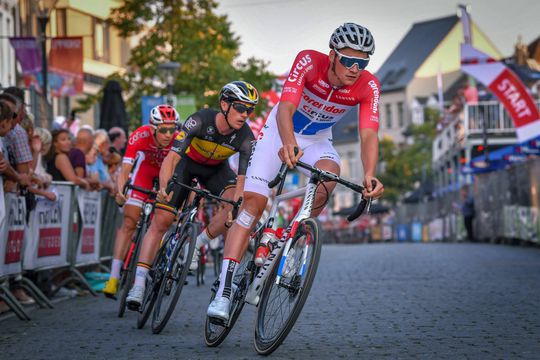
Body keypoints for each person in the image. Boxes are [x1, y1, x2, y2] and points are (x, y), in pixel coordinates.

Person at [207, 23, 385, 321]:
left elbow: (368, 134)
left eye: (363, 62)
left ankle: (292, 240)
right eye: (349, 60)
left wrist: (370, 173)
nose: (355, 68)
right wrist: (288, 143)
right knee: (253, 205)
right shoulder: (308, 61)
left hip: (317, 139)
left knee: (329, 177)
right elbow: (285, 108)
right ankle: (224, 292)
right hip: (280, 131)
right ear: (332, 55)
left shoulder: (369, 86)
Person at [125, 81, 258, 309]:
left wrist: (235, 208)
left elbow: (241, 183)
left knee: (232, 210)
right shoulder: (200, 119)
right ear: (224, 104)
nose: (245, 114)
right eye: (240, 107)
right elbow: (172, 158)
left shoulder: (246, 136)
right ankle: (138, 284)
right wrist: (164, 188)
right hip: (186, 165)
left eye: (250, 109)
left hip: (217, 171)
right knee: (162, 221)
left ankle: (197, 244)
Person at [102, 105, 180, 298]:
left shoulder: (179, 139)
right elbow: (126, 168)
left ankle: (150, 265)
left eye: (172, 129)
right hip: (144, 173)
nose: (168, 134)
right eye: (163, 130)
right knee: (129, 223)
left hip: (167, 175)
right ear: (152, 128)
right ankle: (113, 277)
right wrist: (120, 191)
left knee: (162, 221)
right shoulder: (140, 135)